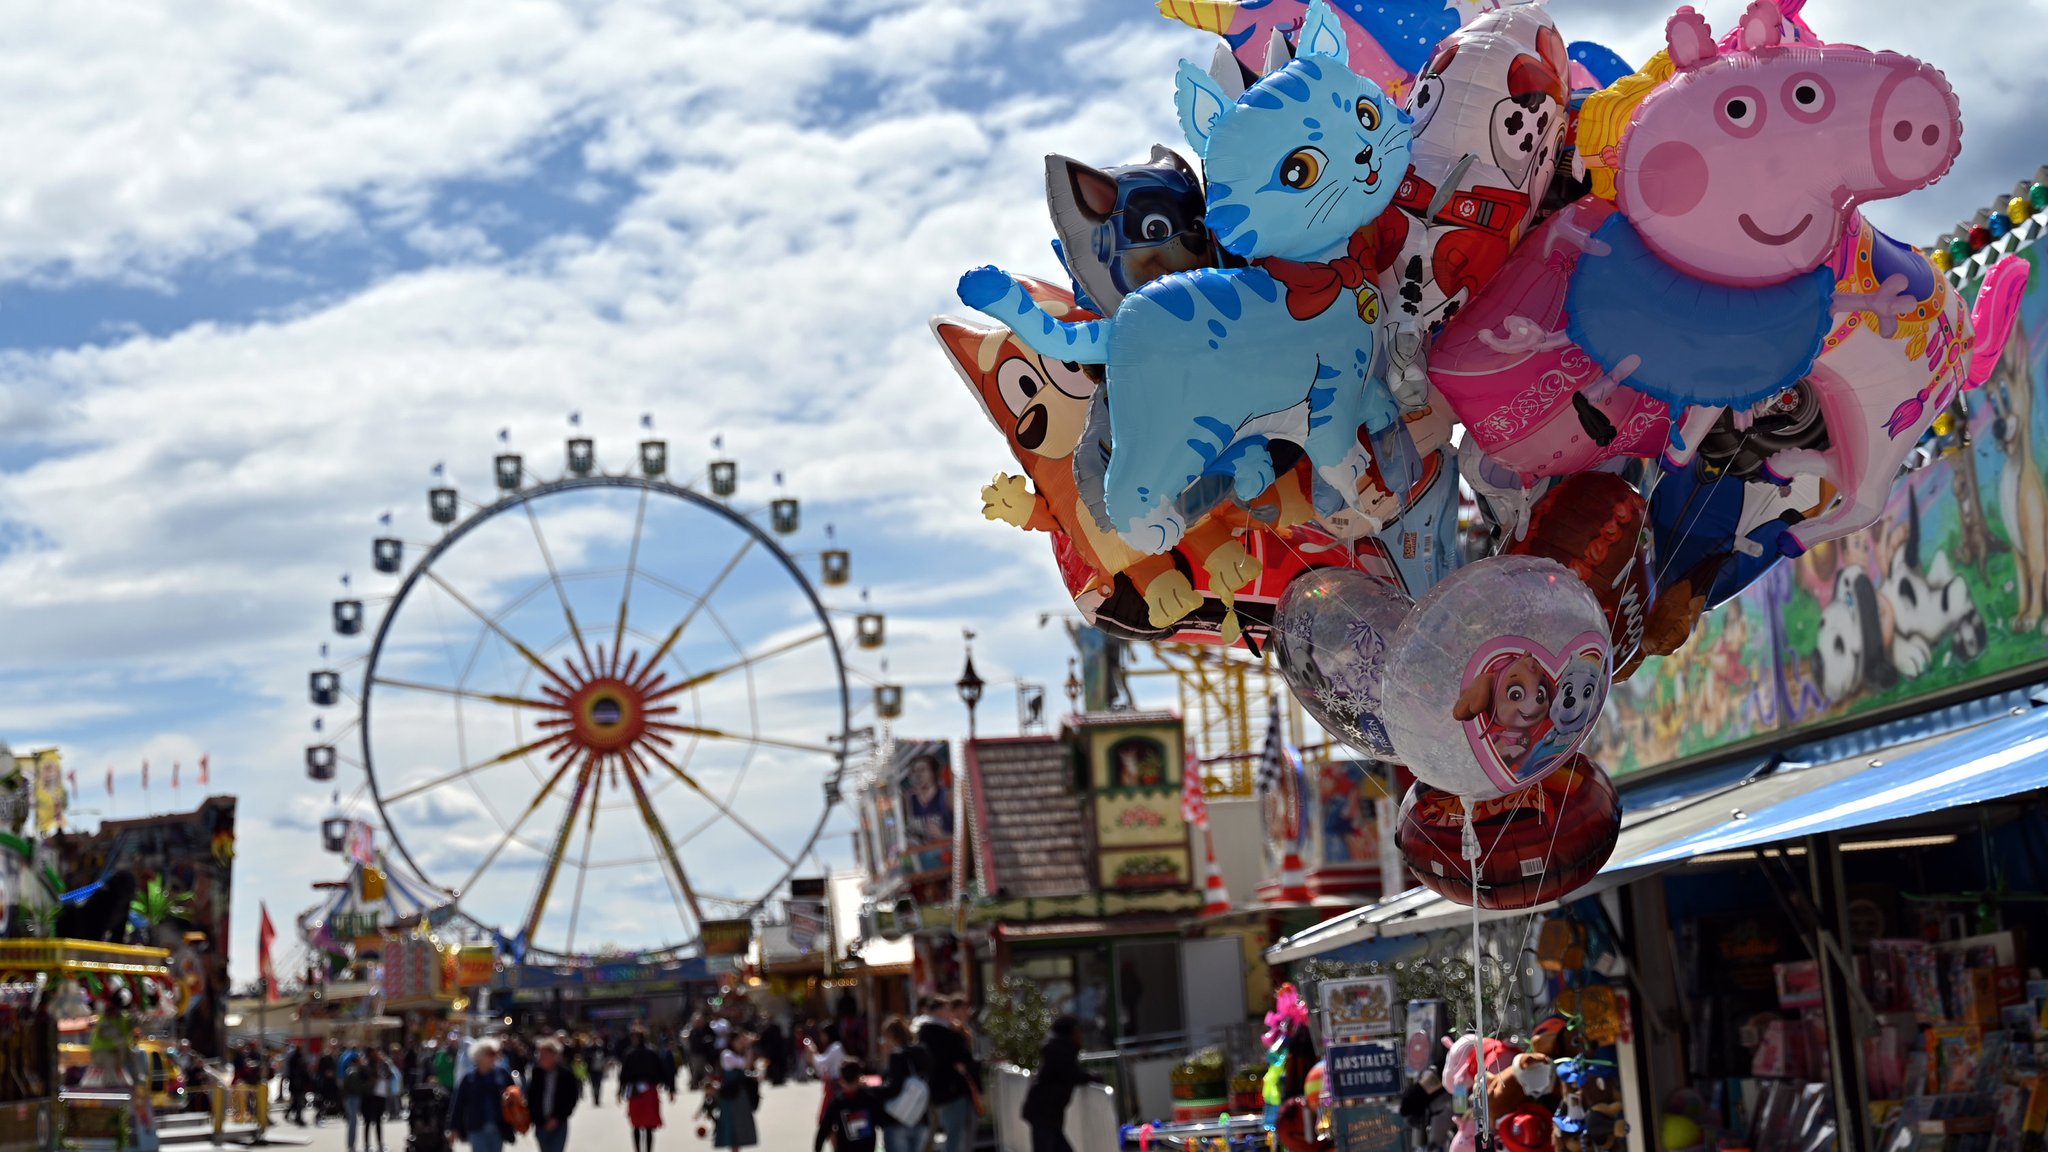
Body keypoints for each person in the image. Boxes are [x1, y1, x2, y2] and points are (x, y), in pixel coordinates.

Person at [1021, 1016, 1096, 1152]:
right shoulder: (1061, 1050)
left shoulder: (1059, 1048)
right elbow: (1072, 1074)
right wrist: (1092, 1077)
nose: (1081, 1036)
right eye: (1078, 1031)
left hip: (1047, 1115)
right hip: (1044, 1114)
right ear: (1072, 1032)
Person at [918, 997, 980, 1152]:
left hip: (943, 1091)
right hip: (951, 1090)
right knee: (956, 1134)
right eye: (947, 1009)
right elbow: (962, 1056)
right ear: (938, 1011)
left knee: (956, 1132)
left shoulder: (926, 1032)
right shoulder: (942, 1033)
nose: (950, 1013)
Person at [445, 1039, 515, 1152]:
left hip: (498, 1127)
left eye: (495, 1053)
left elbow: (515, 1093)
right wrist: (454, 1128)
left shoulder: (502, 1073)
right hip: (476, 1127)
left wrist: (509, 1098)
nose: (494, 1056)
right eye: (490, 1053)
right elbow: (458, 1104)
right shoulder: (469, 1078)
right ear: (480, 1056)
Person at [876, 1016, 932, 1152]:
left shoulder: (897, 1056)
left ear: (890, 1035)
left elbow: (893, 1087)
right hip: (920, 1117)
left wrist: (870, 1090)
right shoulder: (922, 1052)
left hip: (897, 1120)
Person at [620, 1025, 674, 1152]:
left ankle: (638, 1150)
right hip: (649, 1090)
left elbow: (623, 1074)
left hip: (636, 1091)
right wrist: (671, 1089)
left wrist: (620, 1090)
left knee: (637, 1124)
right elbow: (664, 1072)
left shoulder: (630, 1053)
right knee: (648, 1125)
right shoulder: (652, 1052)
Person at [523, 1038, 581, 1152]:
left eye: (543, 1055)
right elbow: (531, 1097)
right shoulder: (536, 1073)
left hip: (558, 1123)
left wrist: (557, 1118)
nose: (540, 1058)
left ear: (554, 1056)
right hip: (540, 1123)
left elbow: (571, 1099)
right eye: (539, 1054)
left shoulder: (566, 1074)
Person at [814, 1060, 881, 1152]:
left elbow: (824, 1128)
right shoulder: (869, 1100)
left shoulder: (837, 1103)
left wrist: (818, 1148)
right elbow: (882, 1119)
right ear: (859, 1078)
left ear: (842, 1080)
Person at [709, 1031, 758, 1150]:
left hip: (739, 1094)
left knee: (740, 1126)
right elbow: (745, 1065)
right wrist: (749, 1047)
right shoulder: (727, 1055)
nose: (742, 1043)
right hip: (731, 1096)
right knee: (733, 1127)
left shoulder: (738, 1054)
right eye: (739, 1040)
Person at [339, 1043, 369, 1152]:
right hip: (353, 1098)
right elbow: (355, 1087)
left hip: (350, 1098)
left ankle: (351, 1144)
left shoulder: (351, 1068)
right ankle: (351, 1145)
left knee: (353, 1122)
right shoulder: (354, 1071)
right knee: (353, 1122)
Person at [362, 1050, 391, 1152]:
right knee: (368, 1122)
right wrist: (375, 1074)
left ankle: (380, 1144)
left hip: (381, 1096)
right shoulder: (368, 1066)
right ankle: (366, 1144)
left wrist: (384, 1065)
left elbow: (390, 1075)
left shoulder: (385, 1065)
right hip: (371, 1097)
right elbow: (368, 1079)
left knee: (379, 1121)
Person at [285, 1045, 309, 1126]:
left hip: (300, 1084)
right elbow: (294, 1072)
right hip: (296, 1084)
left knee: (296, 1101)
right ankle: (298, 1118)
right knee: (299, 1102)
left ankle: (288, 1113)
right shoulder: (294, 1059)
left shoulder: (300, 1058)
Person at [585, 1038, 608, 1106]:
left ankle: (598, 1098)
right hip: (592, 1070)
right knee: (593, 1085)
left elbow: (605, 1058)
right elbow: (585, 1058)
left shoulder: (601, 1049)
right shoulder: (588, 1049)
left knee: (598, 1084)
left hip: (599, 1070)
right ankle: (594, 1098)